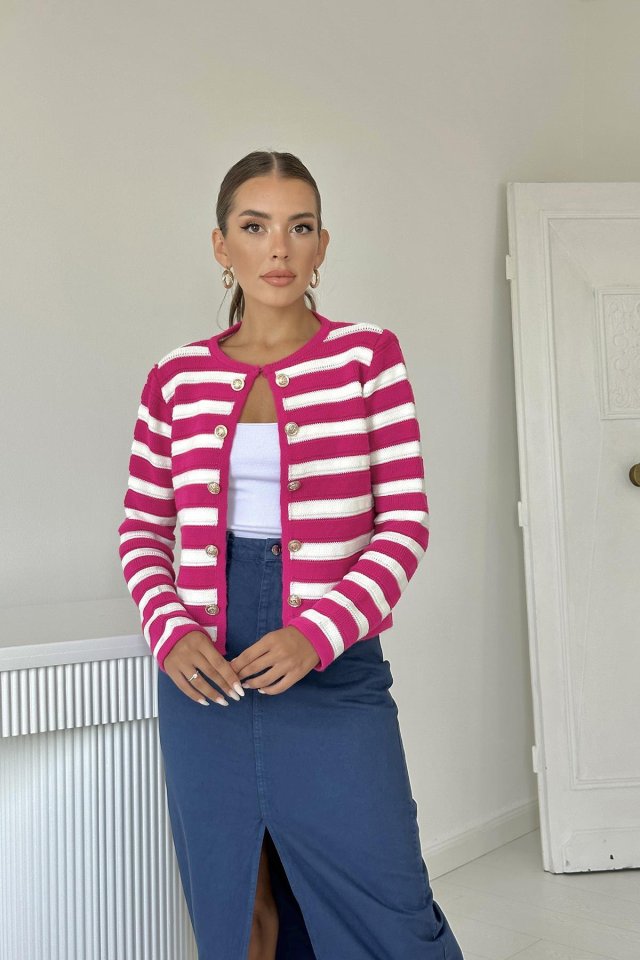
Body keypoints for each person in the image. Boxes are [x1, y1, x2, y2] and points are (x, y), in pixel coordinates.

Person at [118, 149, 464, 960]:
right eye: (255, 226)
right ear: (221, 245)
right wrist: (171, 631)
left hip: (332, 664)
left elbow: (404, 524)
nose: (278, 247)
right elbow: (142, 529)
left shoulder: (367, 357)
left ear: (322, 245)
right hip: (206, 674)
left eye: (299, 227)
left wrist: (317, 633)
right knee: (237, 905)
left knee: (389, 906)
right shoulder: (175, 376)